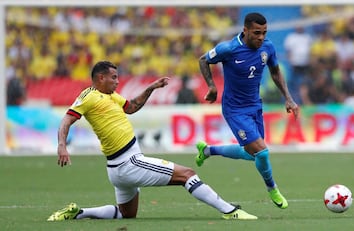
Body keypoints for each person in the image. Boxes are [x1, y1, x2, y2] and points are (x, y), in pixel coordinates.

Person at [47, 61, 257, 221]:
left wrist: (151, 88)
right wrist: (62, 145)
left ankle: (79, 213)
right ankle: (230, 211)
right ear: (100, 78)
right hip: (129, 163)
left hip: (117, 169)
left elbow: (131, 107)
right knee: (188, 175)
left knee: (125, 214)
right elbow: (66, 120)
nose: (117, 81)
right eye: (113, 77)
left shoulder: (111, 95)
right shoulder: (88, 96)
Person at [195, 13, 299, 209]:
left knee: (253, 155)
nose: (261, 37)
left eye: (264, 33)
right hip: (234, 109)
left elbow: (275, 71)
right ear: (245, 30)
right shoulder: (229, 48)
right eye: (257, 33)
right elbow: (203, 60)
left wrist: (289, 98)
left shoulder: (267, 47)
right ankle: (273, 189)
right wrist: (211, 86)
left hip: (255, 106)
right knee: (262, 152)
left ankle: (207, 150)